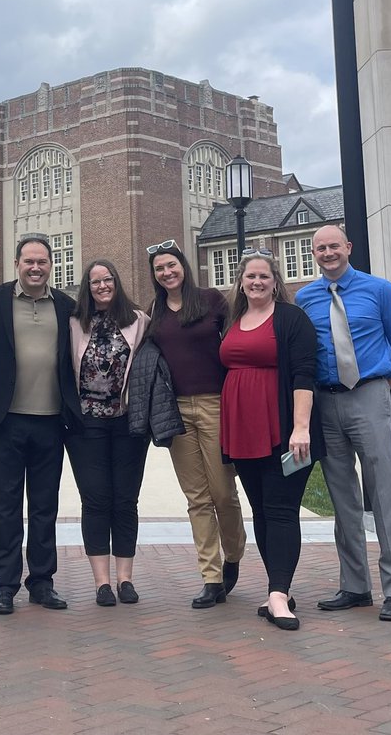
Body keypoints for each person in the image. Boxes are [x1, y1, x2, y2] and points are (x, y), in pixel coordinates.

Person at [296, 224, 391, 622]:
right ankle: (355, 585)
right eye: (320, 248)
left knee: (385, 492)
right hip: (326, 403)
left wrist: (383, 385)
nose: (328, 253)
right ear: (314, 254)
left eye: (334, 246)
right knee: (341, 497)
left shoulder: (379, 290)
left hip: (369, 395)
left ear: (347, 248)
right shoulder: (305, 298)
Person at [0, 235, 79, 615]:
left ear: (51, 265)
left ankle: (42, 582)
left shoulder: (66, 306)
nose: (35, 268)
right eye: (29, 261)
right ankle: (4, 585)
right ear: (17, 264)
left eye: (42, 262)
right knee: (5, 506)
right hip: (7, 419)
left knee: (45, 507)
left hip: (52, 421)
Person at [220, 251, 324, 632]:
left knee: (281, 510)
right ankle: (276, 587)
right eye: (250, 276)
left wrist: (301, 428)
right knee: (261, 511)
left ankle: (279, 594)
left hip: (283, 431)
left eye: (264, 276)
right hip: (243, 430)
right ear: (241, 281)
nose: (257, 282)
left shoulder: (291, 318)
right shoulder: (233, 319)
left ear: (275, 281)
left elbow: (303, 374)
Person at [144, 239, 246, 609]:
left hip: (215, 403)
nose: (167, 272)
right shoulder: (155, 310)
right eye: (159, 269)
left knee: (222, 492)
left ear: (183, 266)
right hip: (175, 410)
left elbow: (237, 341)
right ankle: (211, 576)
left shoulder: (212, 300)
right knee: (197, 498)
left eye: (171, 265)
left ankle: (233, 554)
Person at [65, 259, 150, 606]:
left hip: (127, 421)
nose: (102, 285)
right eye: (95, 281)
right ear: (87, 286)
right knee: (96, 500)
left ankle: (125, 579)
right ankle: (101, 583)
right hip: (86, 424)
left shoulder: (138, 320)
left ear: (117, 282)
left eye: (108, 279)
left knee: (126, 500)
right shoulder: (73, 323)